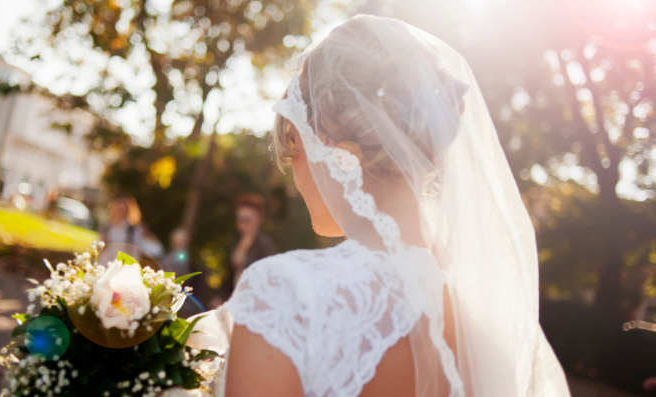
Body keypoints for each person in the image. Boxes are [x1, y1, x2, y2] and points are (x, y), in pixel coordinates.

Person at [187, 15, 570, 397]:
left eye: (294, 148)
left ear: (342, 157)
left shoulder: (288, 293)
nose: (291, 172)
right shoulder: (492, 326)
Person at [219, 193, 276, 304]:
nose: (241, 224)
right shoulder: (236, 241)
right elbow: (229, 275)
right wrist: (220, 297)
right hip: (233, 300)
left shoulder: (264, 245)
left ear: (258, 219)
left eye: (246, 219)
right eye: (239, 219)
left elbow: (266, 279)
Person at [99, 195, 163, 262]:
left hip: (124, 266)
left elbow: (156, 250)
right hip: (104, 264)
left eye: (123, 207)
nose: (120, 209)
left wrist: (149, 236)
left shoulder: (135, 229)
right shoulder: (107, 226)